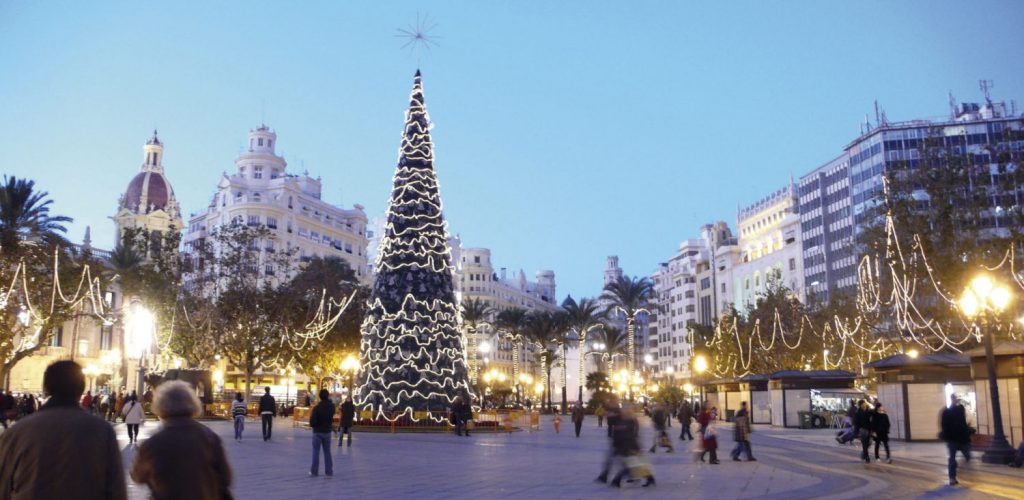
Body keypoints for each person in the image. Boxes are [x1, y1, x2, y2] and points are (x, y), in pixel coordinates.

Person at [0, 360, 127, 500]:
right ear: (81, 388)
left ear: (46, 387)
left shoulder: (17, 433)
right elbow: (116, 490)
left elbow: (4, 487)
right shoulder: (102, 431)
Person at [130, 381, 233, 499]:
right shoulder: (210, 438)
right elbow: (226, 478)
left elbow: (138, 476)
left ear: (160, 407)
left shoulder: (152, 444)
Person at [608, 405, 655, 488]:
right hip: (626, 446)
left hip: (629, 446)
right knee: (635, 464)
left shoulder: (629, 421)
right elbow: (617, 434)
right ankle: (650, 478)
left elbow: (630, 435)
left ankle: (617, 480)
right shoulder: (623, 421)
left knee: (631, 465)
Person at [940, 394, 972, 485]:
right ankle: (952, 477)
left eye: (956, 399)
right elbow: (944, 426)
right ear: (951, 399)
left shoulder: (960, 409)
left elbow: (963, 423)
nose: (956, 400)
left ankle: (958, 471)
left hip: (962, 438)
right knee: (952, 459)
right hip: (953, 439)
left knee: (967, 456)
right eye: (954, 399)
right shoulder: (946, 412)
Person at [309, 389, 335, 477]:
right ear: (328, 396)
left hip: (317, 432)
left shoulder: (317, 408)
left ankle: (314, 471)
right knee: (327, 451)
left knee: (316, 451)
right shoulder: (332, 407)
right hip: (327, 431)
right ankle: (329, 471)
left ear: (319, 397)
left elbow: (312, 422)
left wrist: (315, 425)